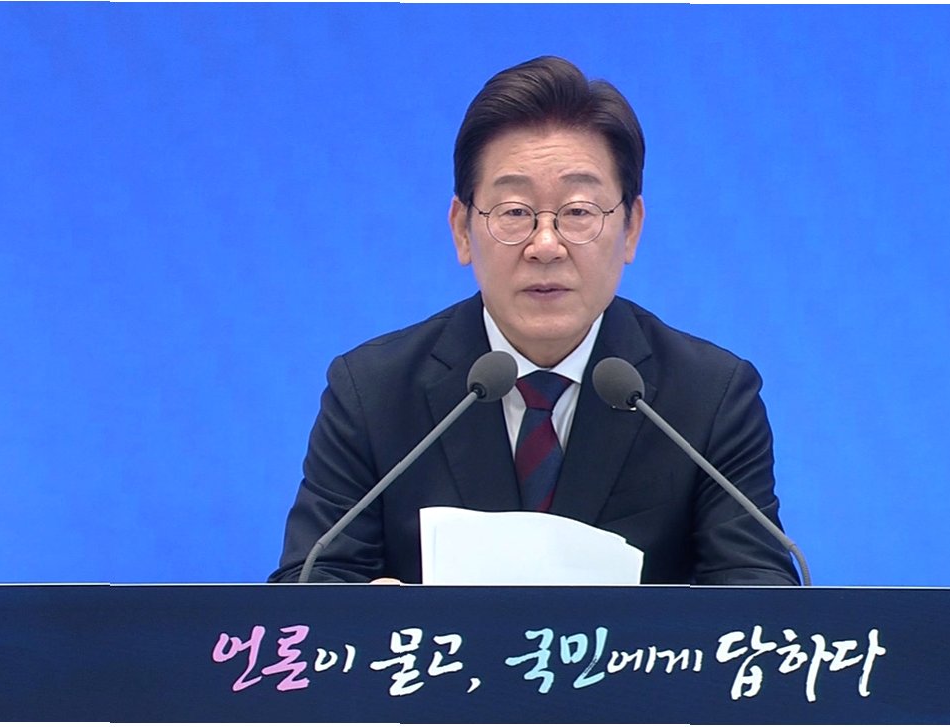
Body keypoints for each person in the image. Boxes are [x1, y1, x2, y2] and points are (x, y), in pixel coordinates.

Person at [269, 56, 798, 586]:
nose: (546, 245)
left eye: (579, 212)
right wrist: (366, 617)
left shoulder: (709, 397)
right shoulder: (373, 392)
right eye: (515, 212)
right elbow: (307, 587)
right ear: (462, 229)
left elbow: (761, 596)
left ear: (632, 228)